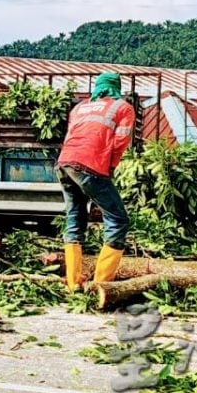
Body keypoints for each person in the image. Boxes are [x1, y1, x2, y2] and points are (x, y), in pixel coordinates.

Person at [57, 72, 136, 291]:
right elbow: (120, 141)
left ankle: (73, 283)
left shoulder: (79, 107)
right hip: (91, 164)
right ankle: (101, 284)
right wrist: (109, 167)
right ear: (116, 87)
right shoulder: (123, 107)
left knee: (75, 218)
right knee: (118, 220)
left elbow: (70, 136)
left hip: (64, 163)